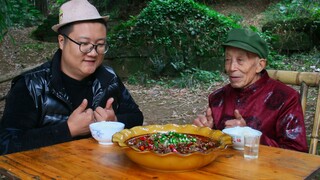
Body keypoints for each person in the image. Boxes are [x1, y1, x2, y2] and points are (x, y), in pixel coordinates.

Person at [0, 0, 143, 155]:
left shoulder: (109, 78)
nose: (93, 52)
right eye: (84, 43)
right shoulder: (31, 85)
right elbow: (6, 142)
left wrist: (115, 122)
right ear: (62, 42)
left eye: (100, 44)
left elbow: (136, 117)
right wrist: (67, 129)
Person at [193, 28, 308, 152]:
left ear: (260, 65)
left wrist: (249, 136)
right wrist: (206, 133)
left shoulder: (285, 98)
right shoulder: (217, 98)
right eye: (228, 60)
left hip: (266, 170)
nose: (231, 68)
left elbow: (297, 153)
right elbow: (214, 149)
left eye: (240, 60)